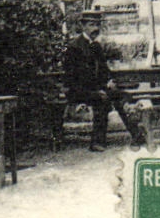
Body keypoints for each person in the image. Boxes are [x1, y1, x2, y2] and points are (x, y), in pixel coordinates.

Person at [63, 10, 147, 150]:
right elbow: (73, 77)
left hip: (97, 88)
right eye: (91, 25)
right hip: (78, 90)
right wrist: (96, 90)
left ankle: (137, 135)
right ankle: (97, 142)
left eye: (97, 25)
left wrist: (109, 81)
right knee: (101, 99)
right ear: (83, 26)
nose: (95, 28)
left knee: (123, 97)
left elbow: (103, 69)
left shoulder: (96, 46)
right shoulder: (74, 47)